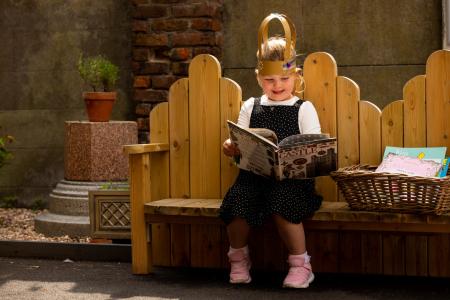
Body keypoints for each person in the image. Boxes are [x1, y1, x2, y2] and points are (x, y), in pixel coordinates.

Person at [219, 13, 323, 289]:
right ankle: (239, 259)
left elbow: (314, 148)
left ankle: (301, 264)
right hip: (254, 177)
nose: (277, 86)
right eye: (269, 80)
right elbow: (239, 143)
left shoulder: (303, 108)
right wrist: (231, 148)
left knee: (283, 200)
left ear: (296, 75)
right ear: (258, 77)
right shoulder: (250, 106)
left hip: (293, 181)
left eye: (284, 79)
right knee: (237, 201)